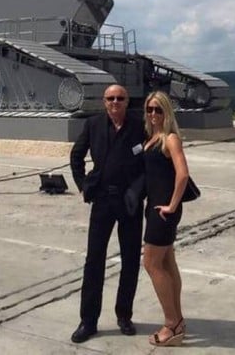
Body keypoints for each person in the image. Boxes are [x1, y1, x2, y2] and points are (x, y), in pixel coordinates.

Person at [69, 84, 146, 344]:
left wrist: (139, 190)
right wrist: (82, 186)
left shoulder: (139, 126)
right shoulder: (93, 125)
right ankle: (88, 321)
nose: (115, 102)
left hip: (129, 202)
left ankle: (124, 315)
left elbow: (149, 163)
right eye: (110, 98)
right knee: (94, 261)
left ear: (127, 101)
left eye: (120, 98)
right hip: (102, 200)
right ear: (104, 102)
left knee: (131, 260)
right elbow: (76, 156)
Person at [140, 91, 190, 347]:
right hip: (156, 208)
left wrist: (172, 205)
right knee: (167, 263)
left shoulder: (170, 139)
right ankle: (178, 320)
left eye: (158, 109)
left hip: (164, 211)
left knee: (151, 264)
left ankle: (171, 324)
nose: (153, 114)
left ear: (167, 112)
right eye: (150, 109)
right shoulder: (151, 138)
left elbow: (182, 174)